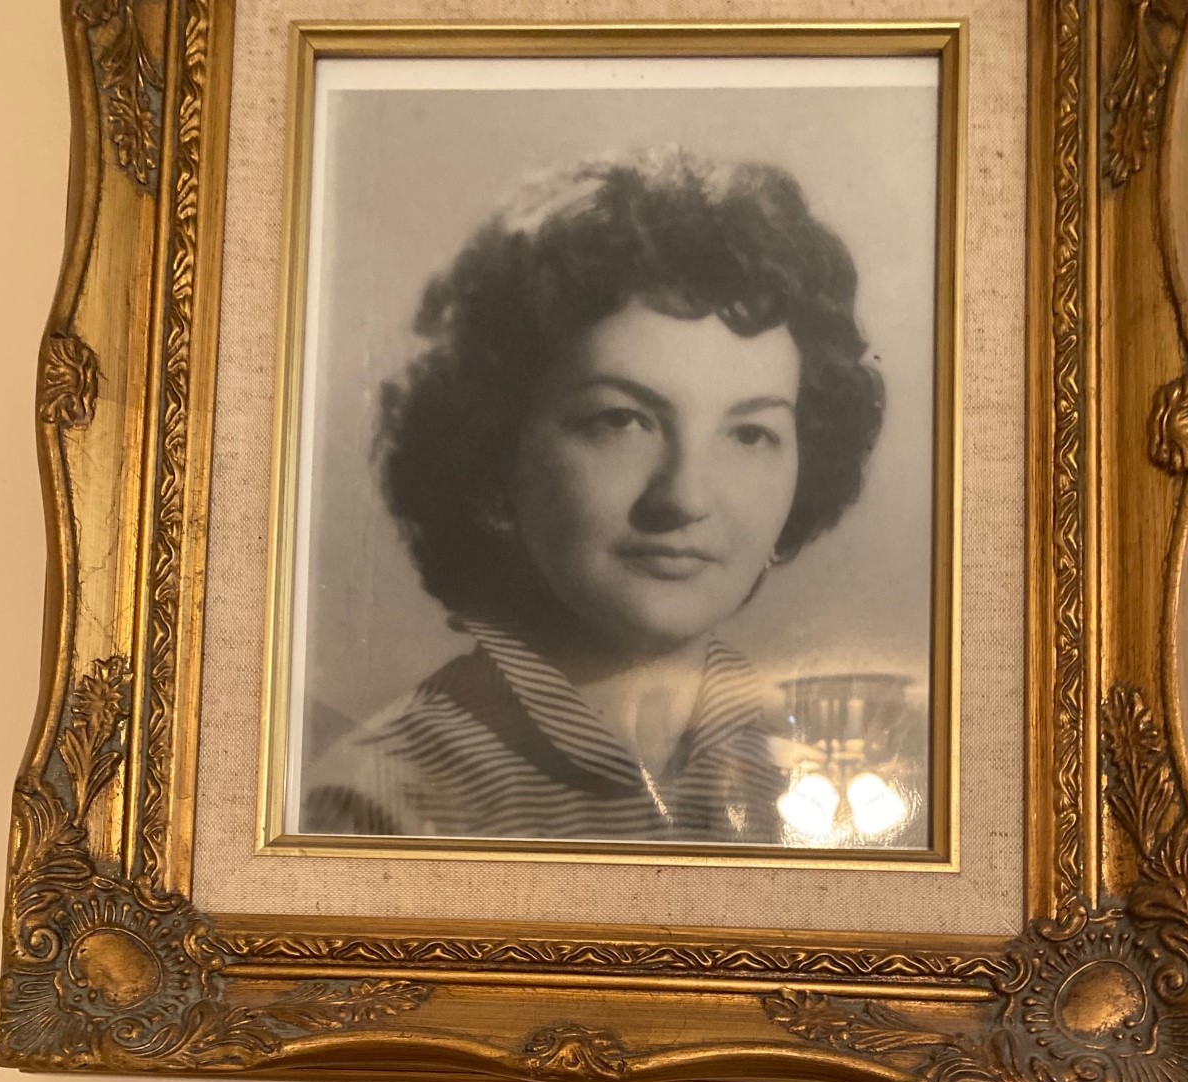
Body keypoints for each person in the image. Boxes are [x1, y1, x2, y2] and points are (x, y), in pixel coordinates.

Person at [301, 145, 884, 844]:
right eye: (621, 421)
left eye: (751, 433)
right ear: (497, 455)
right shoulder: (376, 804)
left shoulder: (823, 784)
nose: (685, 496)